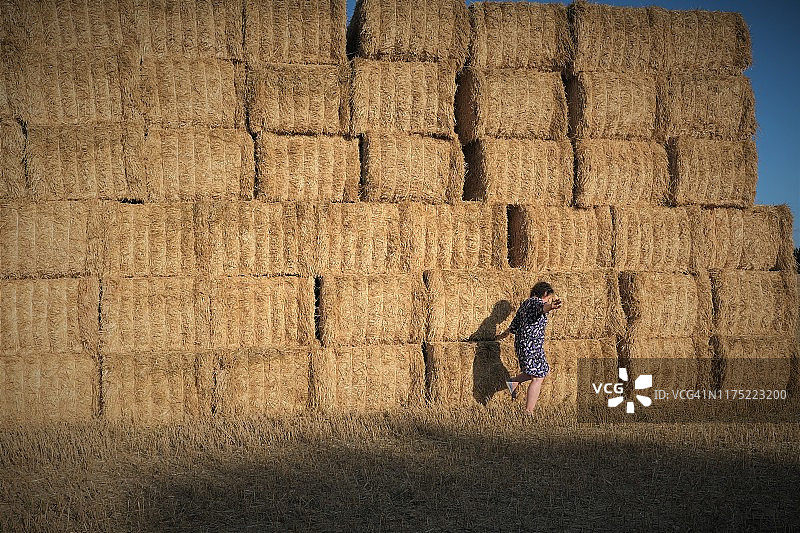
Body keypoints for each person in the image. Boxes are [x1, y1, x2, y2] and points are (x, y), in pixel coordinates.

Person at [497, 282, 562, 414]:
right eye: (549, 297)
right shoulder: (535, 302)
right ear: (544, 294)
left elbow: (514, 326)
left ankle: (513, 382)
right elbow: (541, 307)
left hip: (527, 344)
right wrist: (551, 306)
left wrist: (502, 335)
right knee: (537, 377)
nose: (549, 299)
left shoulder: (525, 304)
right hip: (531, 345)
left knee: (541, 370)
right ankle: (528, 411)